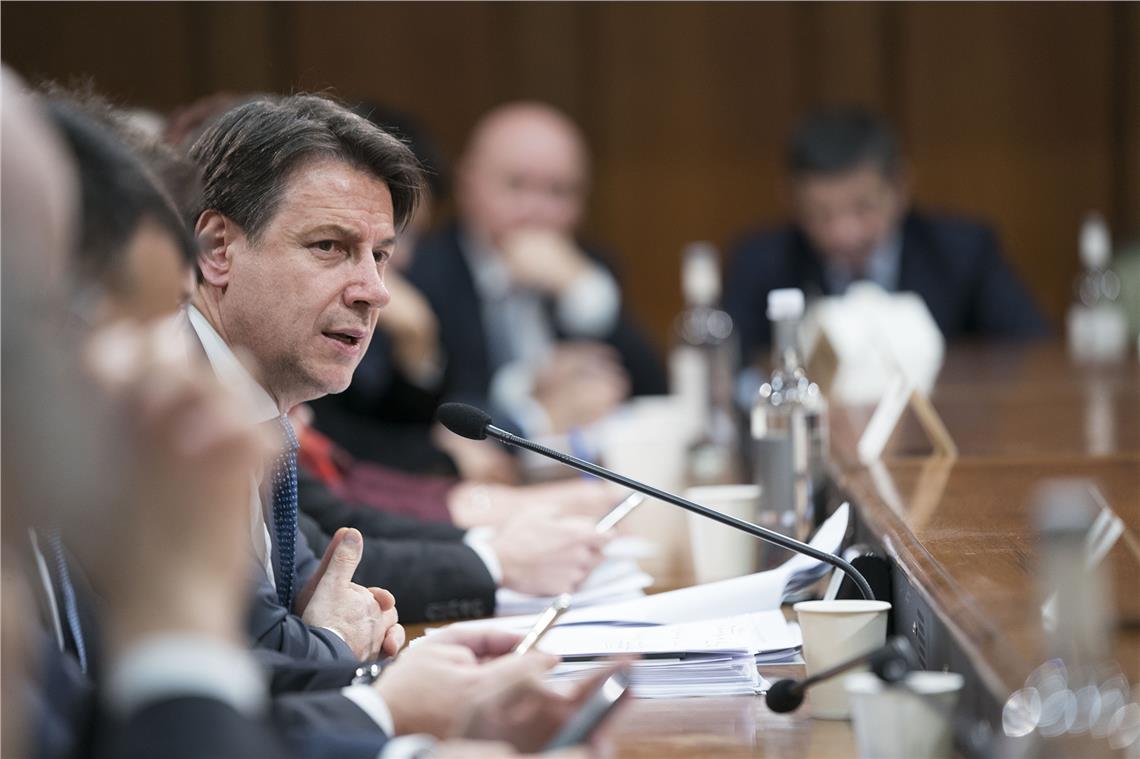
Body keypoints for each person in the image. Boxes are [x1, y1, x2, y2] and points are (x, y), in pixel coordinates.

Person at [407, 101, 667, 440]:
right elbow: (435, 415)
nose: (536, 209)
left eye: (559, 191)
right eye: (516, 185)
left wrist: (583, 289)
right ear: (468, 185)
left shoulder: (588, 264)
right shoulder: (422, 270)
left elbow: (653, 390)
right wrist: (530, 389)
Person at [724, 106, 1049, 362]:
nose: (844, 233)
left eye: (863, 208)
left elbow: (1034, 351)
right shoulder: (762, 263)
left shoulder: (962, 251)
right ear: (792, 201)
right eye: (821, 214)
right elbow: (733, 369)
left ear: (900, 188)